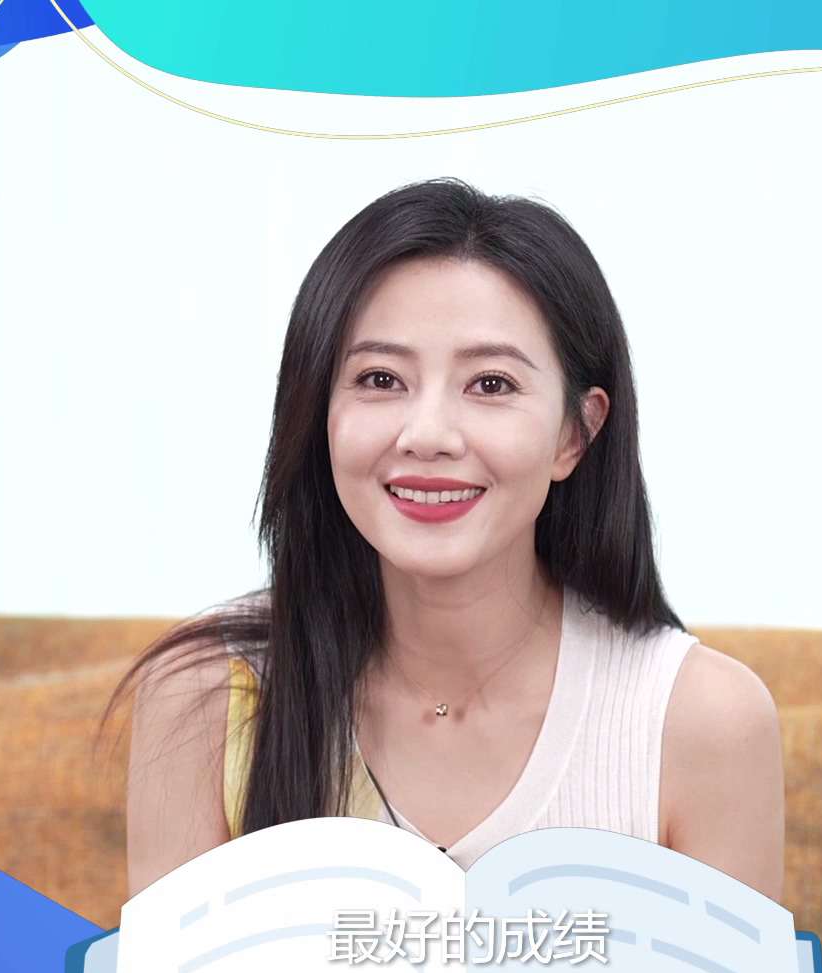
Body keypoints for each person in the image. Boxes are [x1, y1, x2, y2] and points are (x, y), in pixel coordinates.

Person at [106, 177, 784, 905]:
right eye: (380, 378)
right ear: (317, 411)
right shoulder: (207, 698)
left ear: (575, 433)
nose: (427, 435)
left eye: (490, 384)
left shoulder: (701, 720)